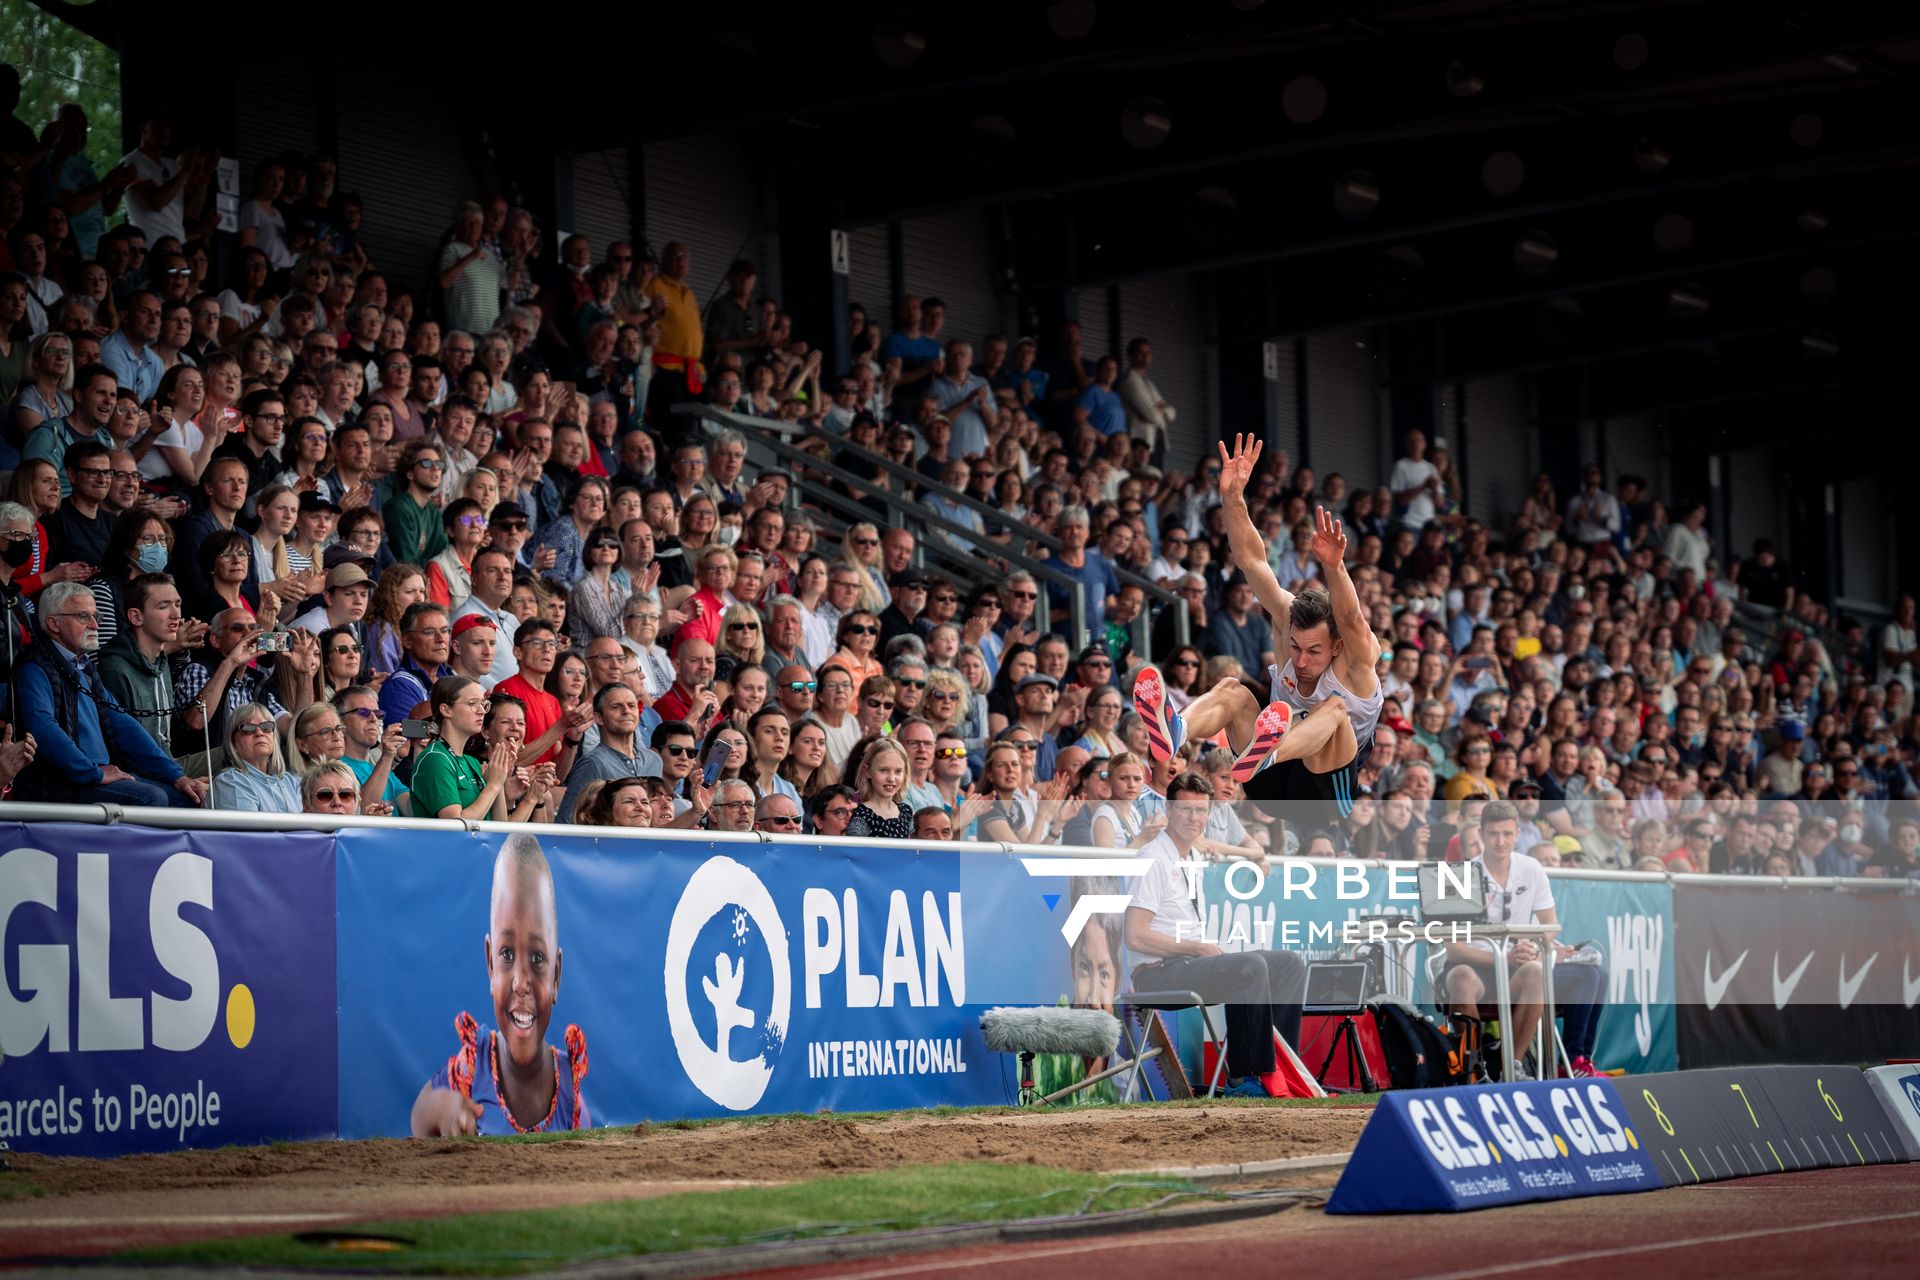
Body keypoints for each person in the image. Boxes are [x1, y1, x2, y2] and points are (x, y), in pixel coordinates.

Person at [1125, 771, 1306, 1094]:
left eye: (1200, 811)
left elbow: (1235, 849)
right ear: (1168, 811)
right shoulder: (1153, 858)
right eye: (1185, 810)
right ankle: (1245, 1078)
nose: (1193, 818)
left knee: (1289, 963)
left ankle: (1281, 1068)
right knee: (1248, 967)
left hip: (1186, 965)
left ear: (1209, 814)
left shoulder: (1193, 854)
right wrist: (1194, 948)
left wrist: (1255, 858)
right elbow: (1135, 936)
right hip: (1155, 974)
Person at [412, 836, 589, 1136]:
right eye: (506, 955)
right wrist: (445, 1108)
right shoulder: (470, 1069)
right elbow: (421, 1113)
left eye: (537, 958)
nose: (521, 983)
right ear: (490, 965)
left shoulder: (570, 1098)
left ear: (556, 976)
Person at [1436, 800, 1604, 1078]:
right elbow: (1454, 949)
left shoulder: (1532, 868)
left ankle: (1510, 1066)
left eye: (1507, 834)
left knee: (1536, 973)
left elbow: (1550, 925)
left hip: (1517, 964)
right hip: (1477, 964)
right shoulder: (1459, 876)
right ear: (1481, 833)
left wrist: (1534, 948)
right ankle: (1474, 1067)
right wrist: (1502, 957)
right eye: (1493, 834)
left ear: (1516, 834)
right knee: (1461, 978)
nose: (1500, 842)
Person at [9, 581, 204, 806]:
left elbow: (122, 723)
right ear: (54, 623)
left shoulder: (85, 668)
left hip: (95, 778)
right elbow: (44, 729)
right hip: (65, 785)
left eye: (97, 616)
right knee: (153, 798)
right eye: (83, 616)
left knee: (187, 798)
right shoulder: (33, 666)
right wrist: (94, 773)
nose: (94, 625)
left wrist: (176, 776)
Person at [408, 675, 516, 821]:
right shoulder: (434, 759)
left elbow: (501, 826)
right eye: (472, 703)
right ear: (446, 710)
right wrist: (493, 785)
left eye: (483, 704)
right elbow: (456, 824)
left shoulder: (471, 762)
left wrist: (499, 779)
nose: (482, 711)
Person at [210, 703, 302, 813]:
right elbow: (248, 830)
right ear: (233, 744)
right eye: (248, 728)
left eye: (266, 727)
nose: (259, 733)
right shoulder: (231, 781)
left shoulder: (289, 781)